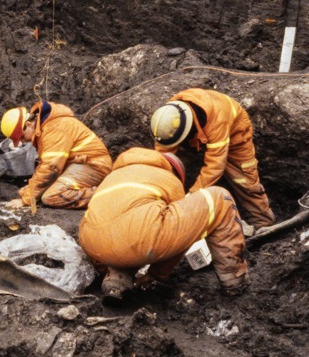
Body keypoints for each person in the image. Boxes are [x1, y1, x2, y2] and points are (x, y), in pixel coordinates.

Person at [78, 147, 249, 300]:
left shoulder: (114, 176)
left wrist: (101, 267)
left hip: (92, 245)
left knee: (126, 228)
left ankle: (115, 280)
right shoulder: (168, 178)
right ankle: (234, 281)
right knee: (219, 198)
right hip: (139, 239)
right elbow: (178, 233)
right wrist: (157, 275)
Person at [150, 88, 275, 233]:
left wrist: (192, 196)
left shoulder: (217, 121)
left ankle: (264, 224)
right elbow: (162, 156)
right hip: (200, 134)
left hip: (235, 133)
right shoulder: (169, 121)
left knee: (245, 180)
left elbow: (215, 167)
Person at [0, 100, 113, 210]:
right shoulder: (47, 127)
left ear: (29, 125)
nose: (23, 141)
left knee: (51, 197)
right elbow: (46, 166)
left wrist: (27, 199)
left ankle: (109, 195)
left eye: (22, 137)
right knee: (46, 189)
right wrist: (28, 191)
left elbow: (51, 168)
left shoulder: (54, 129)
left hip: (93, 166)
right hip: (81, 163)